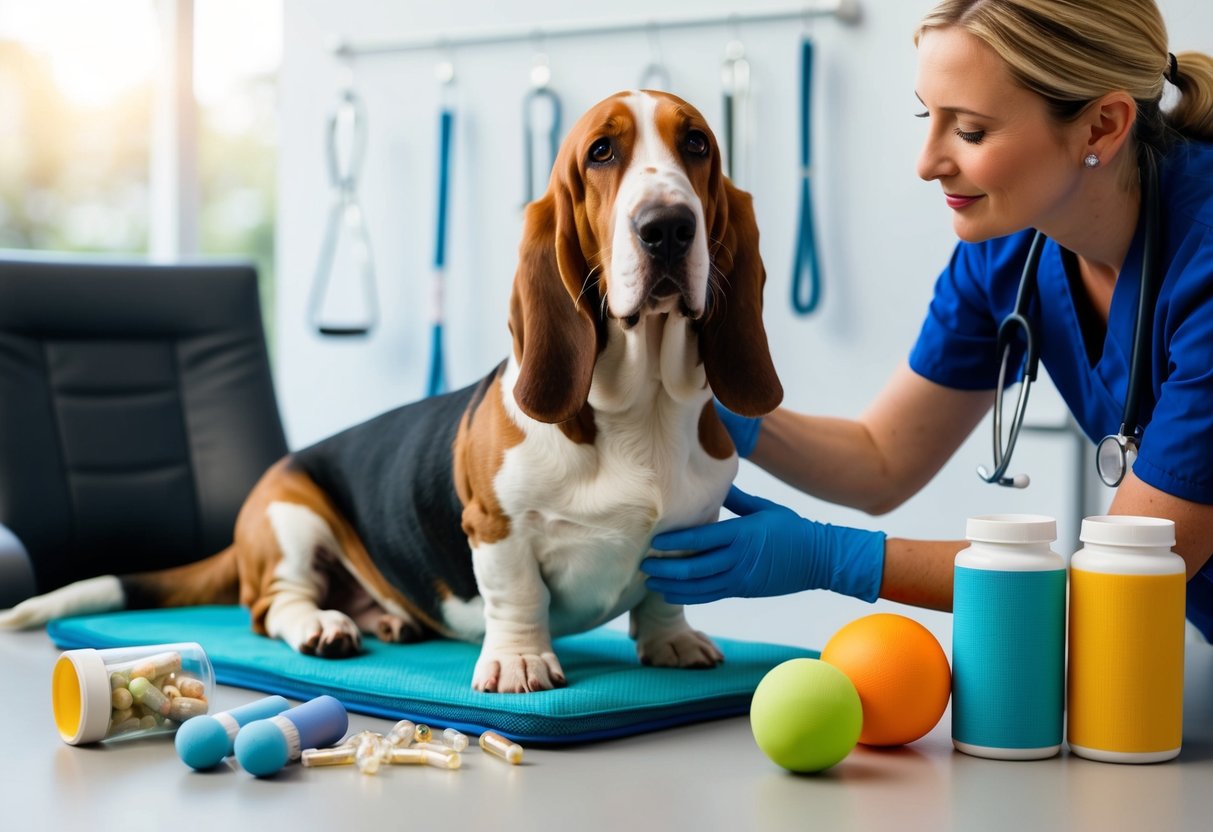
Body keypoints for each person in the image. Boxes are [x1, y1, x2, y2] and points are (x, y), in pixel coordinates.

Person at [640, 0, 1213, 641]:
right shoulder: (1009, 246)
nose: (927, 161)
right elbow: (883, 457)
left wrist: (836, 558)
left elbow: (1123, 575)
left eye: (968, 131)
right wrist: (722, 414)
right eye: (926, 116)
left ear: (1102, 127)